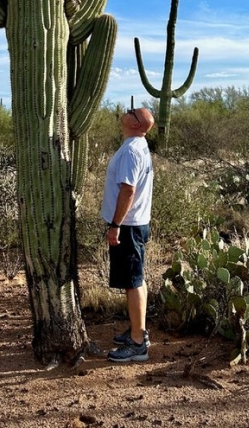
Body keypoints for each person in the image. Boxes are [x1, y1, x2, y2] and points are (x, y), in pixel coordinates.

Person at [101, 106, 155, 363]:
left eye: (132, 112)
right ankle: (138, 331)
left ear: (136, 125)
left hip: (129, 225)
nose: (126, 111)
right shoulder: (138, 146)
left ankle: (137, 345)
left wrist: (115, 225)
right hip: (136, 223)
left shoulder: (132, 150)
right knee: (135, 279)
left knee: (133, 281)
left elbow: (128, 191)